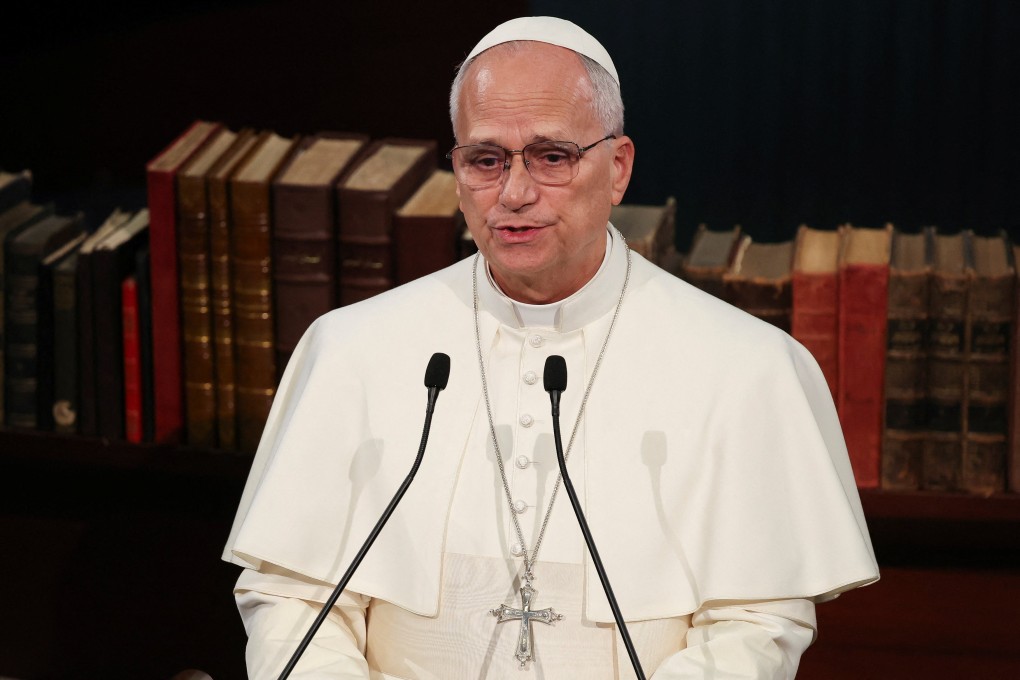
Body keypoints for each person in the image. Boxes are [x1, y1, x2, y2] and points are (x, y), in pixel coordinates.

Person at [223, 16, 879, 679]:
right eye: (486, 159)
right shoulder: (352, 350)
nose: (514, 192)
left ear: (618, 168)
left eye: (551, 156)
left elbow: (755, 626)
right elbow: (293, 601)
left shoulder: (746, 369)